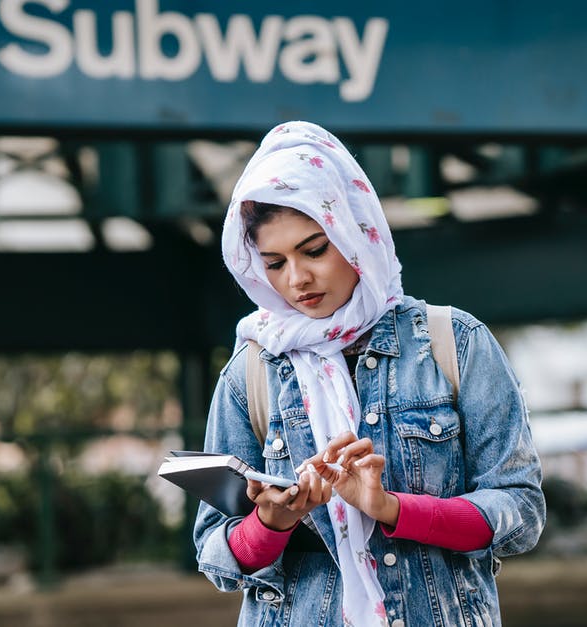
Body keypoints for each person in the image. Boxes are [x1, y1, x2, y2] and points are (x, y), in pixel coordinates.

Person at [193, 121, 546, 627]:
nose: (297, 279)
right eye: (273, 262)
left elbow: (520, 511)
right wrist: (272, 521)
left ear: (356, 232)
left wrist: (393, 508)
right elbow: (215, 554)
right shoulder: (250, 372)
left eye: (314, 249)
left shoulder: (455, 344)